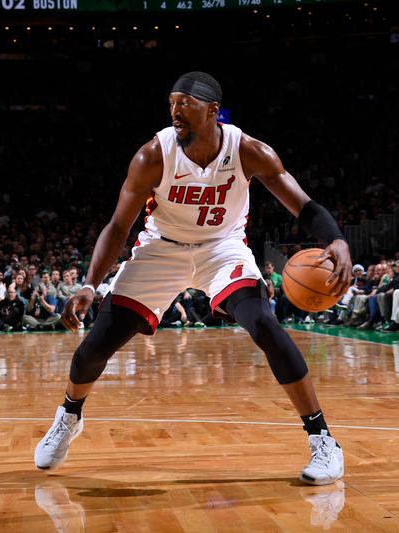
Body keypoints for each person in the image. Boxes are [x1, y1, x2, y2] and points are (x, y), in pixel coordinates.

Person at [34, 72, 351, 485]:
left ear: (213, 111)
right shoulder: (153, 155)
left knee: (265, 324)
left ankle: (323, 439)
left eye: (185, 104)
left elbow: (303, 205)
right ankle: (69, 416)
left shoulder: (249, 151)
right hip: (161, 248)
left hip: (222, 247)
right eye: (171, 105)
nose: (175, 112)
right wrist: (91, 283)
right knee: (96, 346)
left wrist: (337, 239)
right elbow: (117, 226)